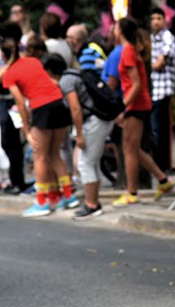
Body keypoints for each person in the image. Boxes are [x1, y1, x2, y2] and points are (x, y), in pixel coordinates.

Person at [1, 33, 75, 217]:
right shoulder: (33, 62)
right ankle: (66, 196)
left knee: (40, 157)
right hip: (58, 103)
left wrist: (26, 130)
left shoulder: (9, 74)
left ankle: (41, 202)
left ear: (3, 55)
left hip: (42, 107)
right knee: (54, 153)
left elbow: (19, 102)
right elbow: (49, 82)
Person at [46, 53, 115, 221]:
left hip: (92, 121)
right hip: (101, 118)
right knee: (92, 162)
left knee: (84, 163)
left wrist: (79, 135)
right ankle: (93, 202)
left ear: (49, 70)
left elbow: (75, 109)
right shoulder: (74, 73)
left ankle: (91, 205)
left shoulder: (65, 82)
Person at [113, 18, 173, 207]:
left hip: (135, 105)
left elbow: (136, 84)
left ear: (120, 30)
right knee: (135, 149)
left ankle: (132, 193)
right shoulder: (130, 50)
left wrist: (123, 107)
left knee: (129, 149)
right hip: (138, 104)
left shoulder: (128, 51)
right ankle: (163, 181)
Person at [0, 23, 26, 195]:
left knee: (13, 143)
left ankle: (18, 181)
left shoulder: (19, 56)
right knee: (9, 143)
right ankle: (14, 179)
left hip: (13, 102)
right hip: (6, 102)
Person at [150, 8, 175, 174]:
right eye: (153, 18)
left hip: (163, 89)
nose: (155, 22)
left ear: (164, 20)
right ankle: (161, 167)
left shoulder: (167, 36)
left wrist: (148, 66)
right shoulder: (152, 38)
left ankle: (162, 167)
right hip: (155, 90)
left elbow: (160, 62)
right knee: (157, 130)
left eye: (159, 18)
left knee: (159, 130)